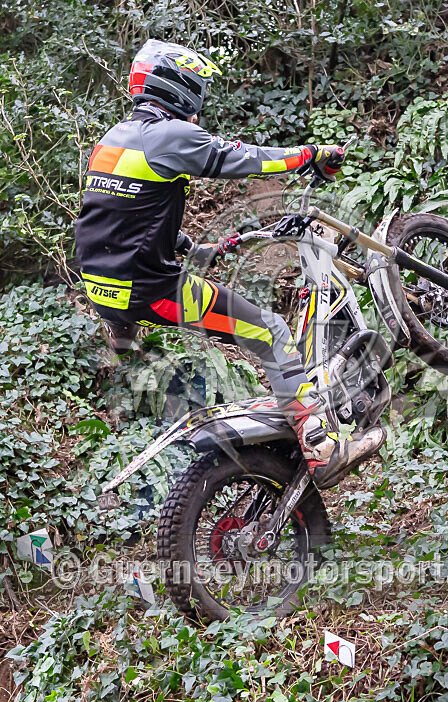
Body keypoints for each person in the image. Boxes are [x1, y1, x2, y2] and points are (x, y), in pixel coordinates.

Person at [75, 39, 385, 488]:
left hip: (103, 286)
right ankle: (321, 445)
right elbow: (244, 158)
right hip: (148, 288)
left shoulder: (112, 141)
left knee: (242, 323)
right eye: (196, 92)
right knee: (271, 330)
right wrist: (311, 154)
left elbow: (119, 211)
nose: (198, 110)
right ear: (177, 89)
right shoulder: (171, 135)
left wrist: (183, 242)